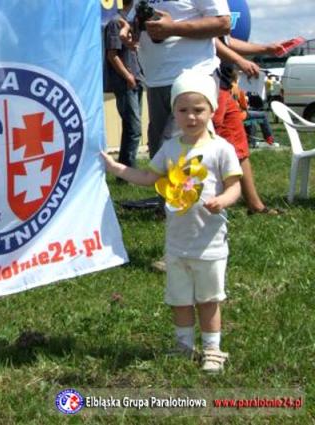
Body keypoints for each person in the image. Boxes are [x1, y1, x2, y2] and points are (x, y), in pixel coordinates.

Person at [102, 71, 242, 372]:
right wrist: (118, 169)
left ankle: (212, 349)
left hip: (210, 243)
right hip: (177, 245)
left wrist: (223, 201)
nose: (191, 117)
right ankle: (183, 345)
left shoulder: (221, 149)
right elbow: (149, 177)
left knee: (208, 298)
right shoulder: (170, 148)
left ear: (211, 111)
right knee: (179, 299)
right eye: (183, 110)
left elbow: (235, 186)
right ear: (174, 112)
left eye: (198, 109)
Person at [120, 0, 231, 158]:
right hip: (155, 80)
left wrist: (172, 29)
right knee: (160, 155)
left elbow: (223, 23)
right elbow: (132, 17)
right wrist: (131, 30)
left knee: (186, 155)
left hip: (192, 76)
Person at [213, 64, 281, 215]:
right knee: (205, 142)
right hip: (208, 80)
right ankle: (197, 200)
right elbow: (216, 43)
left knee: (238, 146)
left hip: (221, 83)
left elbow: (224, 43)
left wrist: (265, 49)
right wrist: (240, 60)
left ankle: (255, 205)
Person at [104, 0, 143, 170]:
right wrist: (128, 77)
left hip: (139, 79)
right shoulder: (115, 22)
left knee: (132, 127)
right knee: (133, 128)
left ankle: (126, 169)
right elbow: (112, 55)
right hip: (125, 82)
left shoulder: (134, 22)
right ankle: (127, 171)